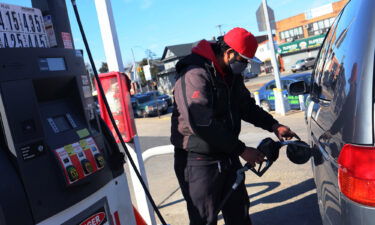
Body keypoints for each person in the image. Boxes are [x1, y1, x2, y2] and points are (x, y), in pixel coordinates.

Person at [170, 27, 299, 225]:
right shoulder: (195, 73)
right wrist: (240, 149)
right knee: (204, 219)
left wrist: (274, 125)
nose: (245, 66)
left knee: (239, 213)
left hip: (227, 155)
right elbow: (201, 122)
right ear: (229, 53)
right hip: (200, 161)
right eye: (243, 60)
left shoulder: (231, 74)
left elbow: (245, 106)